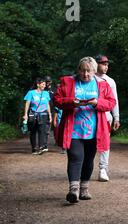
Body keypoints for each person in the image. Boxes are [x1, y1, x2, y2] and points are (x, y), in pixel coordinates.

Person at [53, 56, 116, 205]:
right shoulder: (68, 82)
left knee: (88, 159)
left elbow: (111, 103)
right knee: (75, 157)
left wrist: (97, 103)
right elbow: (56, 99)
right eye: (82, 71)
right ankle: (73, 190)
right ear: (78, 70)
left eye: (89, 71)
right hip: (73, 129)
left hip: (95, 130)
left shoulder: (102, 85)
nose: (85, 74)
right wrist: (71, 102)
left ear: (94, 71)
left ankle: (84, 188)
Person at [95, 54, 120, 182]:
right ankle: (85, 167)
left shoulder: (110, 81)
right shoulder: (89, 78)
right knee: (90, 144)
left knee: (105, 143)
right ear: (96, 64)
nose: (106, 66)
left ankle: (103, 169)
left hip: (106, 117)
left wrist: (116, 117)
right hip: (91, 117)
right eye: (103, 64)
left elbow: (114, 100)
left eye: (107, 64)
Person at [23, 77, 52, 154]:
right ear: (38, 84)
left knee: (42, 131)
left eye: (45, 84)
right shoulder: (31, 93)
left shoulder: (46, 93)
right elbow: (27, 103)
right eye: (43, 84)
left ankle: (41, 147)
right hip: (33, 114)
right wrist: (25, 114)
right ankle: (34, 148)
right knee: (33, 131)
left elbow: (47, 104)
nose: (44, 85)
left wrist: (50, 114)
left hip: (43, 114)